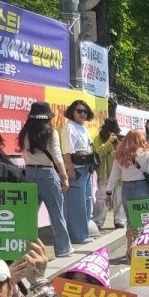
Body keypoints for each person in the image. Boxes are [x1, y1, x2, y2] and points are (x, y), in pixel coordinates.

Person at [18, 103, 72, 258]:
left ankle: (28, 250)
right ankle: (63, 249)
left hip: (29, 173)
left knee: (29, 215)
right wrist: (64, 176)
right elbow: (56, 155)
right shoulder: (50, 132)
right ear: (48, 117)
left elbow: (23, 153)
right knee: (56, 213)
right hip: (47, 174)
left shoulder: (25, 133)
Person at [62, 100, 97, 244]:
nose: (83, 113)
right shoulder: (69, 127)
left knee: (87, 200)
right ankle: (77, 235)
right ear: (72, 112)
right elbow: (67, 150)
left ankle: (84, 232)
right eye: (79, 110)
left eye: (85, 111)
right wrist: (70, 169)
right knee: (75, 203)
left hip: (87, 168)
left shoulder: (84, 128)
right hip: (76, 169)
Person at [107, 129, 149, 216]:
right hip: (143, 186)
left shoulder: (119, 154)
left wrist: (108, 193)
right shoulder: (146, 151)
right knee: (145, 218)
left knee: (131, 220)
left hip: (127, 188)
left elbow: (113, 176)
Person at [92, 118, 124, 230]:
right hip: (104, 173)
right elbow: (98, 152)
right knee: (102, 198)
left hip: (119, 173)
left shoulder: (120, 139)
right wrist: (109, 142)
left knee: (119, 198)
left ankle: (119, 220)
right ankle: (98, 221)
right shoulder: (98, 139)